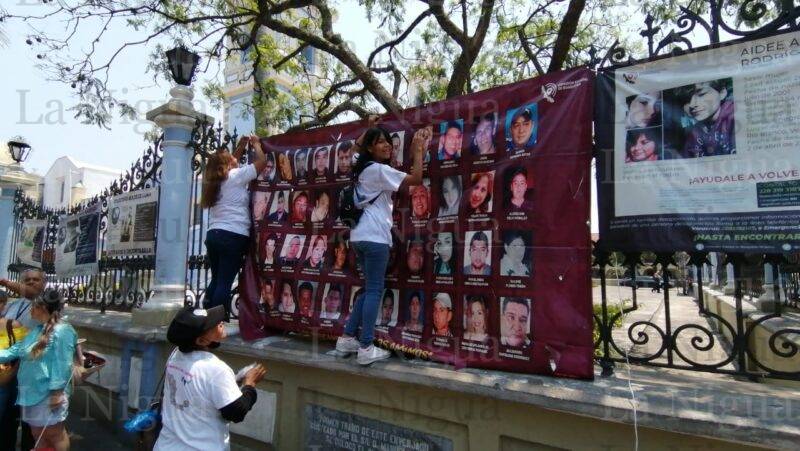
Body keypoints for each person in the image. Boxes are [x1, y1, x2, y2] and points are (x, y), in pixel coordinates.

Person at [335, 124, 430, 365]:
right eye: (379, 141)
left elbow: (355, 147)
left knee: (368, 289)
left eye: (388, 141)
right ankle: (366, 347)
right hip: (375, 238)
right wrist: (418, 150)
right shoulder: (377, 170)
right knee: (374, 290)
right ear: (371, 147)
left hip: (358, 237)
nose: (386, 145)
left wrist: (370, 126)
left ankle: (347, 338)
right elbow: (416, 179)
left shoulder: (360, 166)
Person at [155, 305, 267, 451]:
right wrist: (249, 384)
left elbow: (200, 388)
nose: (219, 322)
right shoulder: (216, 369)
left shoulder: (175, 356)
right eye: (211, 324)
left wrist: (234, 382)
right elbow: (236, 412)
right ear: (201, 341)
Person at [0, 289, 77, 451]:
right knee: (37, 434)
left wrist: (56, 393)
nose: (30, 310)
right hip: (30, 393)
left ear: (42, 307)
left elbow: (62, 364)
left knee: (55, 435)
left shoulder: (63, 331)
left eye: (33, 307)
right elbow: (13, 351)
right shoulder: (35, 331)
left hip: (47, 394)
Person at [201, 135, 268, 318]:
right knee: (224, 281)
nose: (233, 157)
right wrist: (256, 145)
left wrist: (240, 146)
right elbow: (262, 162)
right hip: (232, 235)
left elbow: (233, 162)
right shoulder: (235, 177)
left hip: (214, 235)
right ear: (226, 164)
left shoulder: (214, 182)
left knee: (216, 280)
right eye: (229, 156)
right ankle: (217, 322)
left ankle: (207, 317)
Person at [0, 268, 43, 451]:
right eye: (27, 280)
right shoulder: (13, 305)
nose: (32, 282)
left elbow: (32, 293)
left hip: (32, 372)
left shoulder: (46, 300)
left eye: (36, 279)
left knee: (29, 422)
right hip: (10, 369)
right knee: (7, 419)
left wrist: (4, 282)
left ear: (44, 283)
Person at [679, 80, 735, 158]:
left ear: (722, 93)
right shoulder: (694, 133)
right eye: (687, 99)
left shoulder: (735, 117)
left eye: (702, 94)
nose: (692, 104)